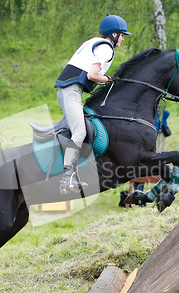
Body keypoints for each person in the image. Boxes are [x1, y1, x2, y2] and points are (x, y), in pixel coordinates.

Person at [54, 15, 132, 195]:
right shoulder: (107, 48)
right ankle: (67, 179)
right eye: (121, 35)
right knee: (80, 131)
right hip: (71, 90)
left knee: (83, 127)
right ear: (113, 34)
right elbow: (92, 75)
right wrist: (110, 79)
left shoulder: (94, 42)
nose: (122, 38)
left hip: (69, 90)